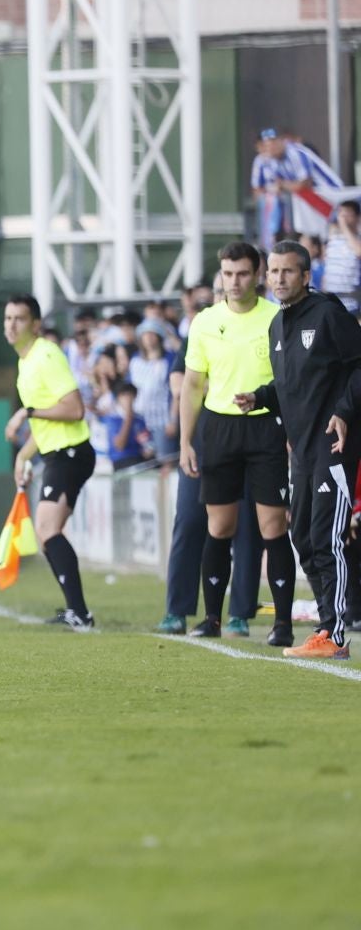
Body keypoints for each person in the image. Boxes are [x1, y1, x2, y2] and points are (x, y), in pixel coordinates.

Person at [236, 240, 361, 659]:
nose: (279, 279)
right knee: (303, 538)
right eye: (273, 272)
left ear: (306, 276)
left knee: (327, 537)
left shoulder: (327, 314)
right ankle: (328, 628)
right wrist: (260, 396)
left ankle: (336, 633)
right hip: (302, 451)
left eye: (288, 271)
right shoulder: (277, 325)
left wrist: (344, 411)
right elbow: (294, 386)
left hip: (334, 444)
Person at [178, 241, 294, 643]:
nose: (235, 281)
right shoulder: (205, 322)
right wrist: (185, 442)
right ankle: (212, 619)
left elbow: (290, 382)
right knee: (220, 525)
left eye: (242, 273)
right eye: (228, 274)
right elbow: (192, 385)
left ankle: (281, 624)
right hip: (220, 429)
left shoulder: (278, 318)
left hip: (265, 428)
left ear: (258, 274)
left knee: (272, 526)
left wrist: (290, 431)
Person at [158, 335, 261, 637]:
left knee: (245, 526)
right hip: (202, 443)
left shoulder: (258, 329)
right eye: (219, 288)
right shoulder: (201, 332)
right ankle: (177, 610)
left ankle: (240, 614)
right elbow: (180, 384)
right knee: (189, 522)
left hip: (246, 440)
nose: (227, 290)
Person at [5, 295, 98, 629]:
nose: (11, 325)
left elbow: (74, 409)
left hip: (71, 452)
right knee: (48, 533)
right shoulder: (26, 361)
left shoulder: (46, 355)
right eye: (8, 318)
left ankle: (80, 613)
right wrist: (23, 454)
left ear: (35, 324)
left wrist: (27, 412)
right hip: (58, 453)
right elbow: (45, 423)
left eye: (19, 318)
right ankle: (75, 609)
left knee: (47, 529)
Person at [128, 326, 176, 463]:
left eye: (152, 334)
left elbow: (175, 392)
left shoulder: (169, 359)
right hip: (140, 419)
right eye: (145, 335)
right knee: (144, 461)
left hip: (162, 420)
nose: (148, 339)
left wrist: (173, 420)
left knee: (165, 461)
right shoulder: (135, 360)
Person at [103, 381, 155, 470]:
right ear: (118, 398)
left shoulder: (139, 420)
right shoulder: (113, 419)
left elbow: (146, 443)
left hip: (139, 458)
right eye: (124, 395)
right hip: (122, 460)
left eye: (130, 395)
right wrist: (128, 416)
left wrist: (149, 449)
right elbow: (119, 445)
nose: (128, 399)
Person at [324, 200, 361, 312]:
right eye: (341, 213)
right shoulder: (333, 237)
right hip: (331, 295)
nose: (343, 217)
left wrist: (344, 227)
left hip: (352, 296)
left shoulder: (357, 239)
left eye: (347, 213)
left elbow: (359, 251)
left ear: (357, 217)